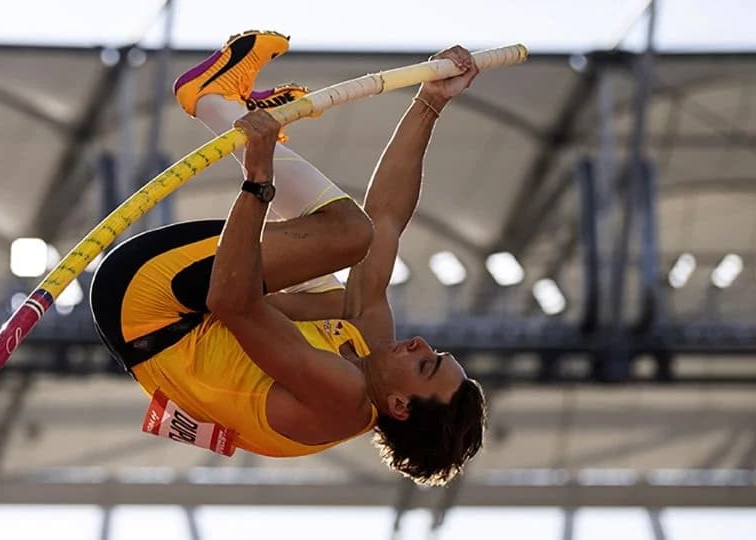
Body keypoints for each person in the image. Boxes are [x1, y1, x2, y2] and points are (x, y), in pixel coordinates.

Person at [91, 30, 486, 486]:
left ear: (399, 405)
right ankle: (231, 110)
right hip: (199, 314)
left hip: (148, 309)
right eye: (434, 351)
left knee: (348, 235)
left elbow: (231, 302)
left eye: (425, 365)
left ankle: (214, 102)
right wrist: (430, 102)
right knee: (353, 265)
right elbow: (388, 217)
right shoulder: (371, 347)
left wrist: (259, 179)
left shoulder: (344, 401)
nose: (419, 343)